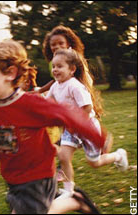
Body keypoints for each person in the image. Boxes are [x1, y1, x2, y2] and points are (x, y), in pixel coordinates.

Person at [0, 39, 108, 214]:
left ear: (10, 73)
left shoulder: (30, 104)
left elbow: (69, 115)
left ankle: (74, 202)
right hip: (12, 178)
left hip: (38, 177)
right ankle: (75, 201)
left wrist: (98, 138)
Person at [46, 48, 129, 199]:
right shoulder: (55, 86)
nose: (55, 70)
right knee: (64, 157)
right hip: (70, 130)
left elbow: (87, 107)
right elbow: (45, 102)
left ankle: (118, 156)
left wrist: (75, 123)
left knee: (94, 162)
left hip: (86, 127)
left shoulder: (74, 85)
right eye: (54, 66)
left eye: (59, 66)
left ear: (72, 69)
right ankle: (69, 190)